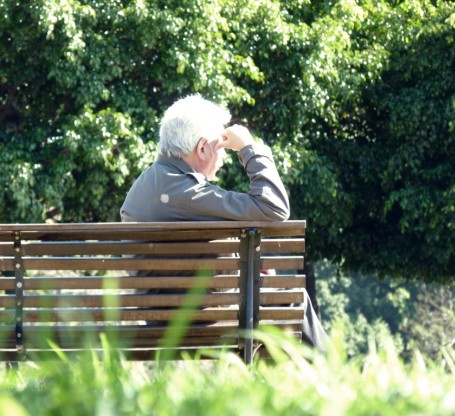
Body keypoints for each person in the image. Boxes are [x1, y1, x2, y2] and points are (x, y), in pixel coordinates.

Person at [120, 94, 327, 352]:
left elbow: (190, 263)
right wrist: (249, 149)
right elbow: (274, 207)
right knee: (294, 303)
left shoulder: (145, 186)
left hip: (155, 317)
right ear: (203, 148)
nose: (223, 159)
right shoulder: (188, 194)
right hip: (199, 320)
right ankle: (339, 382)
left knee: (272, 303)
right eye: (221, 149)